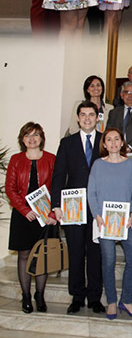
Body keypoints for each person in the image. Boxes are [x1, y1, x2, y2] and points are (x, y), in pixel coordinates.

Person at [51, 101, 103, 314]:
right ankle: (77, 296)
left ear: (97, 117)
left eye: (91, 114)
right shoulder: (67, 143)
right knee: (75, 251)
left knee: (95, 252)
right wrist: (56, 205)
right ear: (78, 118)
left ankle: (94, 297)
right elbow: (58, 175)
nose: (88, 118)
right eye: (83, 115)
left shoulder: (105, 141)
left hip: (98, 207)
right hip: (73, 206)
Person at [87, 127, 132, 320]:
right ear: (104, 144)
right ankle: (111, 300)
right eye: (109, 139)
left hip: (126, 221)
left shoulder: (131, 164)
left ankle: (126, 300)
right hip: (104, 221)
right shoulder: (98, 165)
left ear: (122, 142)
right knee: (108, 262)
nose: (113, 143)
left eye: (116, 139)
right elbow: (91, 192)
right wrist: (97, 215)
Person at [6, 121, 56, 313]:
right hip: (23, 215)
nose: (32, 139)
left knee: (43, 257)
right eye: (28, 135)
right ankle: (26, 295)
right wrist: (24, 210)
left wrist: (52, 212)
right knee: (24, 255)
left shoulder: (52, 159)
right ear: (23, 139)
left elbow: (57, 187)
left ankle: (40, 295)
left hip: (45, 216)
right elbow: (10, 189)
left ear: (41, 138)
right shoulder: (15, 160)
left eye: (35, 135)